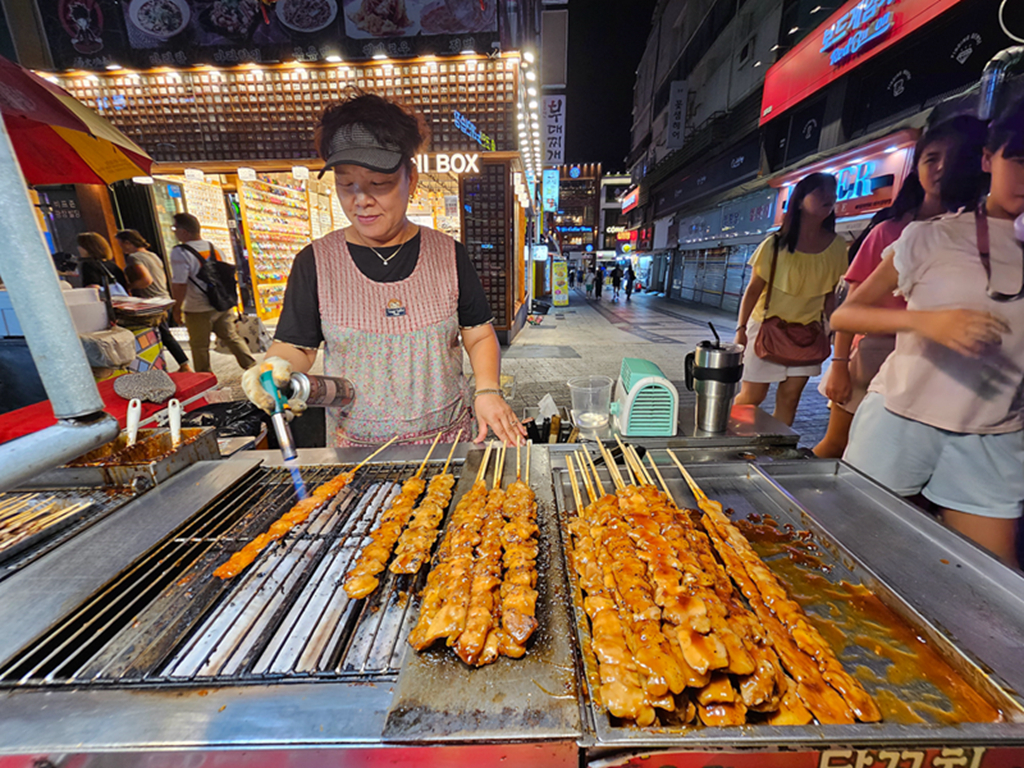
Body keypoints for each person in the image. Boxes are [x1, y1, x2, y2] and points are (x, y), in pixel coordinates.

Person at [241, 93, 524, 447]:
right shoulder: (315, 262)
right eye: (347, 185)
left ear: (412, 178)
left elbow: (479, 333)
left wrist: (487, 389)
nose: (361, 200)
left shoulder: (449, 254)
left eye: (379, 184)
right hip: (356, 452)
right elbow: (297, 346)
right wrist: (274, 368)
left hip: (446, 443)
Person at [832, 100, 1024, 567]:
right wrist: (924, 322)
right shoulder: (931, 236)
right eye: (1017, 161)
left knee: (989, 582)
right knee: (852, 554)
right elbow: (845, 315)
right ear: (986, 160)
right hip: (900, 417)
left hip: (995, 434)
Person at [813, 117, 987, 457]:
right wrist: (838, 367)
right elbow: (849, 307)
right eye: (931, 158)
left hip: (942, 365)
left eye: (953, 158)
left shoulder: (985, 235)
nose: (941, 168)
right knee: (840, 444)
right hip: (876, 351)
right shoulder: (890, 232)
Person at [734, 173, 847, 426]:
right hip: (766, 330)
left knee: (790, 398)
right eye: (820, 193)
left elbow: (829, 295)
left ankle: (774, 450)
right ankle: (734, 441)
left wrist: (834, 331)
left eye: (832, 193)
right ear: (799, 201)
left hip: (808, 334)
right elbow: (753, 290)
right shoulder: (774, 244)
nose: (829, 198)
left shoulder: (838, 246)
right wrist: (740, 329)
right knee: (752, 396)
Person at [169, 212, 255, 374]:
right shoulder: (214, 249)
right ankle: (253, 368)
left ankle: (205, 377)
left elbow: (179, 284)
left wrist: (176, 308)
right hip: (221, 304)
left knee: (199, 346)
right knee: (231, 337)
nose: (174, 232)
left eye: (175, 228)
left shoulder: (180, 252)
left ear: (184, 231)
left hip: (197, 308)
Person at [115, 229, 193, 373]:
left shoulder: (134, 257)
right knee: (163, 334)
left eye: (121, 244)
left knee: (164, 335)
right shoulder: (152, 256)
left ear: (128, 243)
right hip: (163, 298)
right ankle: (182, 364)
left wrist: (129, 287)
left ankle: (184, 365)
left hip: (151, 302)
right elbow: (161, 277)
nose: (121, 249)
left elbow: (146, 280)